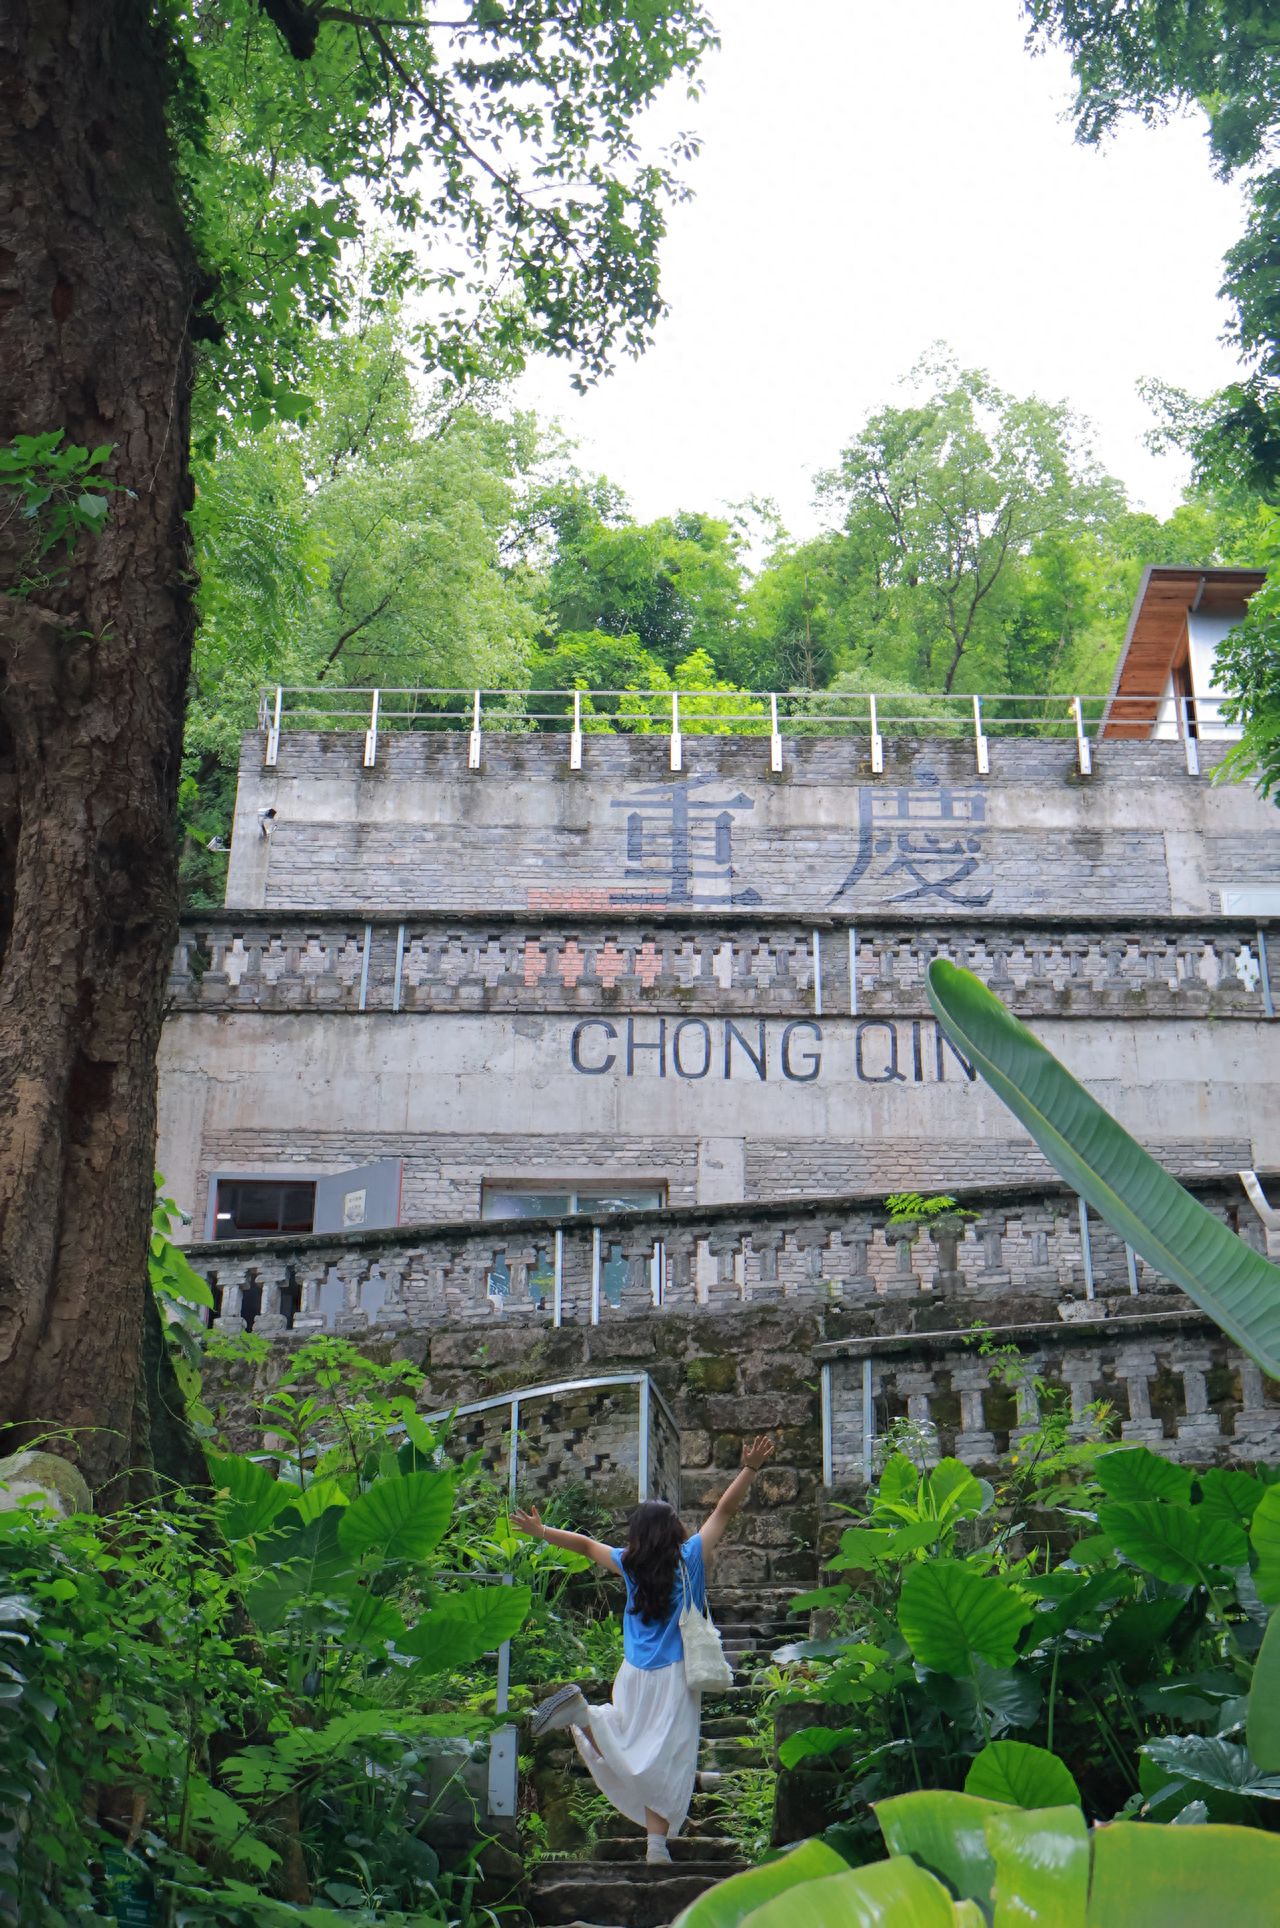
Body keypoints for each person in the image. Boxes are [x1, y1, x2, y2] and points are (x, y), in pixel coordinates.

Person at [511, 1434, 775, 1864]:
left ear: (637, 1534)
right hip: (674, 1677)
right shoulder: (688, 1557)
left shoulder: (626, 1562)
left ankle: (653, 1843)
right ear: (673, 1531)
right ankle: (653, 1840)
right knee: (667, 1761)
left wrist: (541, 1532)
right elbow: (723, 1511)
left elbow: (582, 1544)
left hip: (632, 1674)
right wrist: (749, 1468)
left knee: (634, 1745)